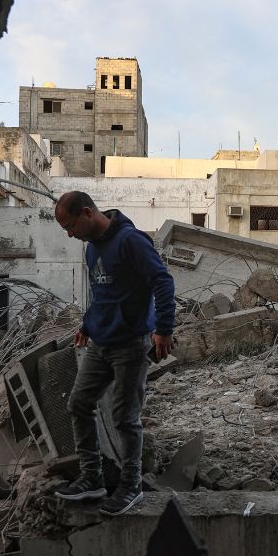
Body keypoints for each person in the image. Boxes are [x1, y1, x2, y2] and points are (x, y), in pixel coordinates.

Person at [51, 191, 175, 516]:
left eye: (70, 225)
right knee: (78, 403)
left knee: (124, 417)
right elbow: (103, 294)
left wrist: (164, 329)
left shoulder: (130, 241)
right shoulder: (92, 249)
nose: (69, 234)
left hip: (131, 344)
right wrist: (87, 326)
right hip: (100, 342)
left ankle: (130, 486)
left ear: (88, 213)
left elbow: (162, 281)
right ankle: (92, 478)